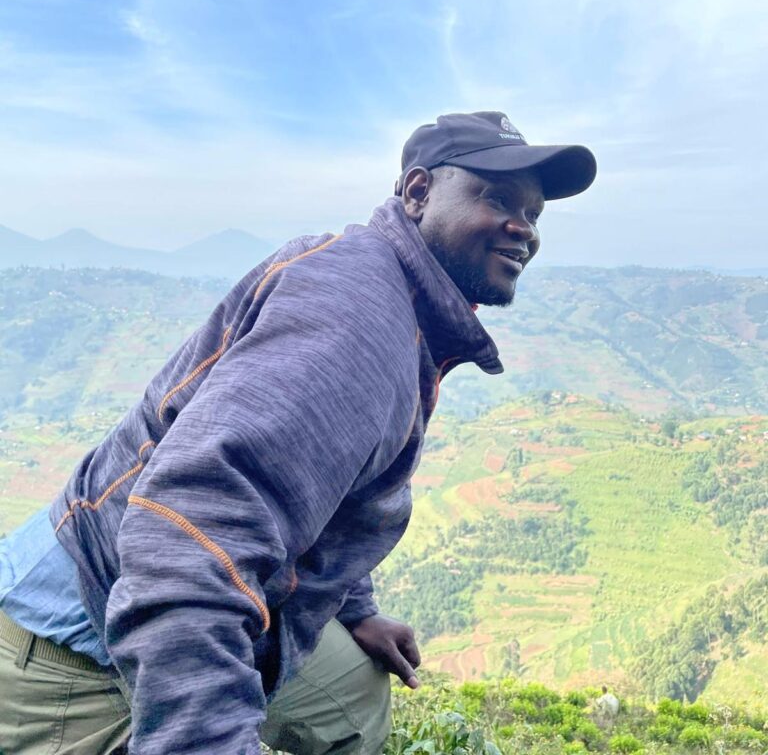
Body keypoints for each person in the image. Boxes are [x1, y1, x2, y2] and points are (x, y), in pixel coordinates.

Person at [0, 111, 596, 755]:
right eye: (498, 199)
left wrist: (355, 608)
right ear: (418, 192)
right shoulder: (357, 321)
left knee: (356, 698)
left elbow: (319, 490)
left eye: (533, 213)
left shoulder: (388, 294)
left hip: (164, 588)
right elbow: (185, 544)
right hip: (79, 642)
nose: (524, 229)